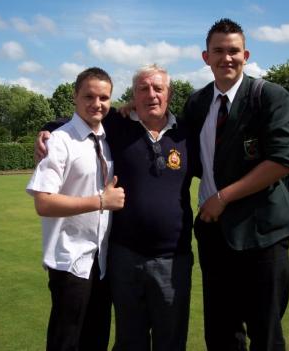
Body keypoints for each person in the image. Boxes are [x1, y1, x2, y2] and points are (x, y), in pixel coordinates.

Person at [37, 64, 196, 351]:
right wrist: (47, 131)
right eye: (143, 89)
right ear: (132, 96)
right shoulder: (117, 125)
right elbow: (80, 121)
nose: (151, 94)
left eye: (158, 88)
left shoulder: (187, 133)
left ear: (169, 93)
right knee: (129, 341)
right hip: (124, 258)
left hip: (174, 258)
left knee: (170, 341)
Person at [183, 18, 289, 351]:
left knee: (265, 333)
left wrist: (223, 196)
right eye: (218, 51)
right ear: (206, 57)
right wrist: (54, 127)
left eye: (233, 50)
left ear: (245, 54)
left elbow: (281, 160)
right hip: (214, 233)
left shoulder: (270, 96)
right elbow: (163, 130)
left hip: (263, 234)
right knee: (221, 333)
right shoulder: (197, 103)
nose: (227, 58)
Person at [26, 67, 125, 351]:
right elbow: (43, 202)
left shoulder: (107, 139)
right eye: (89, 96)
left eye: (104, 97)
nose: (97, 104)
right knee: (65, 342)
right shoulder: (58, 141)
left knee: (96, 340)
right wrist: (101, 201)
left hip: (102, 261)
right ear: (75, 97)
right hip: (69, 261)